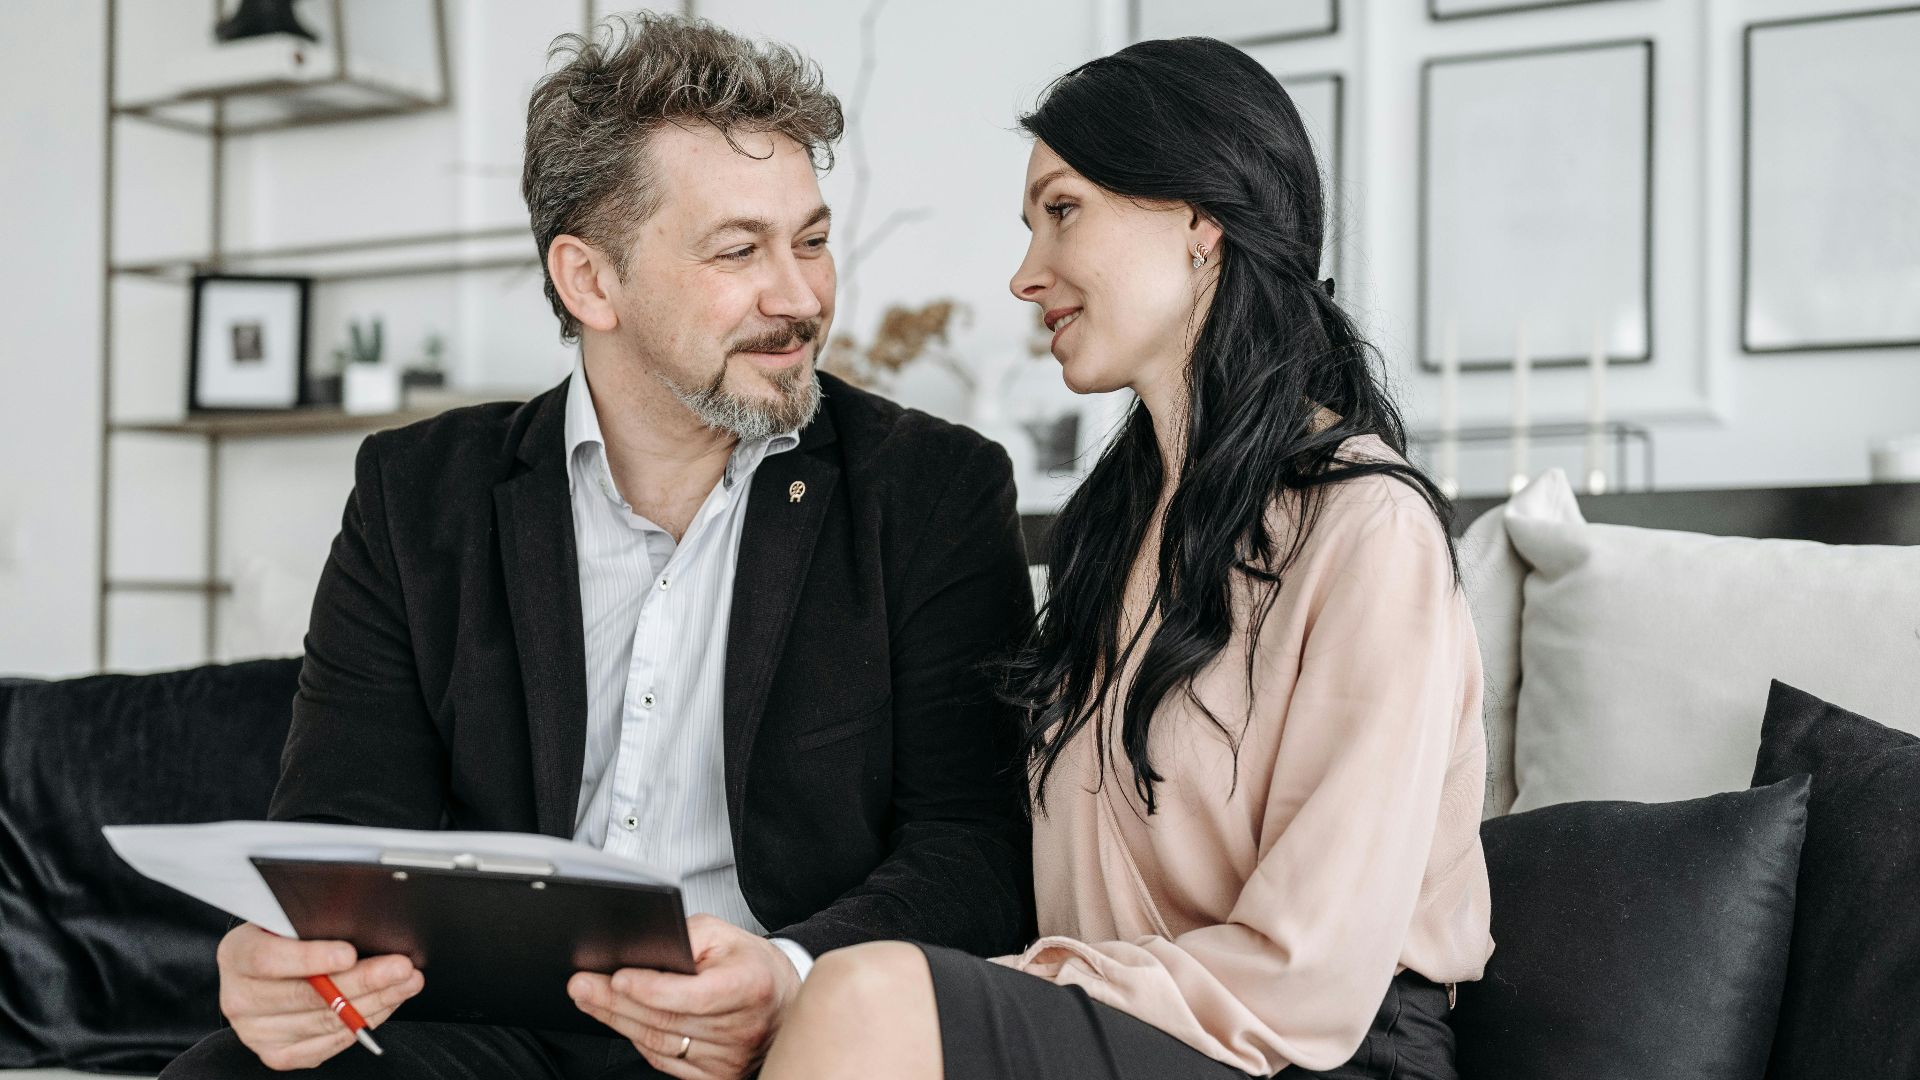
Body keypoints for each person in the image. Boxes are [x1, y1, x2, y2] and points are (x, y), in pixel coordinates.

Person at [159, 14, 1033, 1080]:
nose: (801, 296)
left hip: (768, 1039)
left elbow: (978, 850)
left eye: (810, 239)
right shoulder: (417, 495)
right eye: (738, 250)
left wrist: (793, 974)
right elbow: (344, 840)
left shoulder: (932, 490)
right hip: (479, 1036)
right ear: (590, 281)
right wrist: (289, 965)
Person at [758, 36, 1495, 1080]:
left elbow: (1312, 970)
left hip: (1316, 1054)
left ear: (1199, 219)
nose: (1024, 276)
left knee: (869, 999)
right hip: (1132, 1028)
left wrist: (1019, 988)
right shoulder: (1115, 532)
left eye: (1062, 212)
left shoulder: (1369, 530)